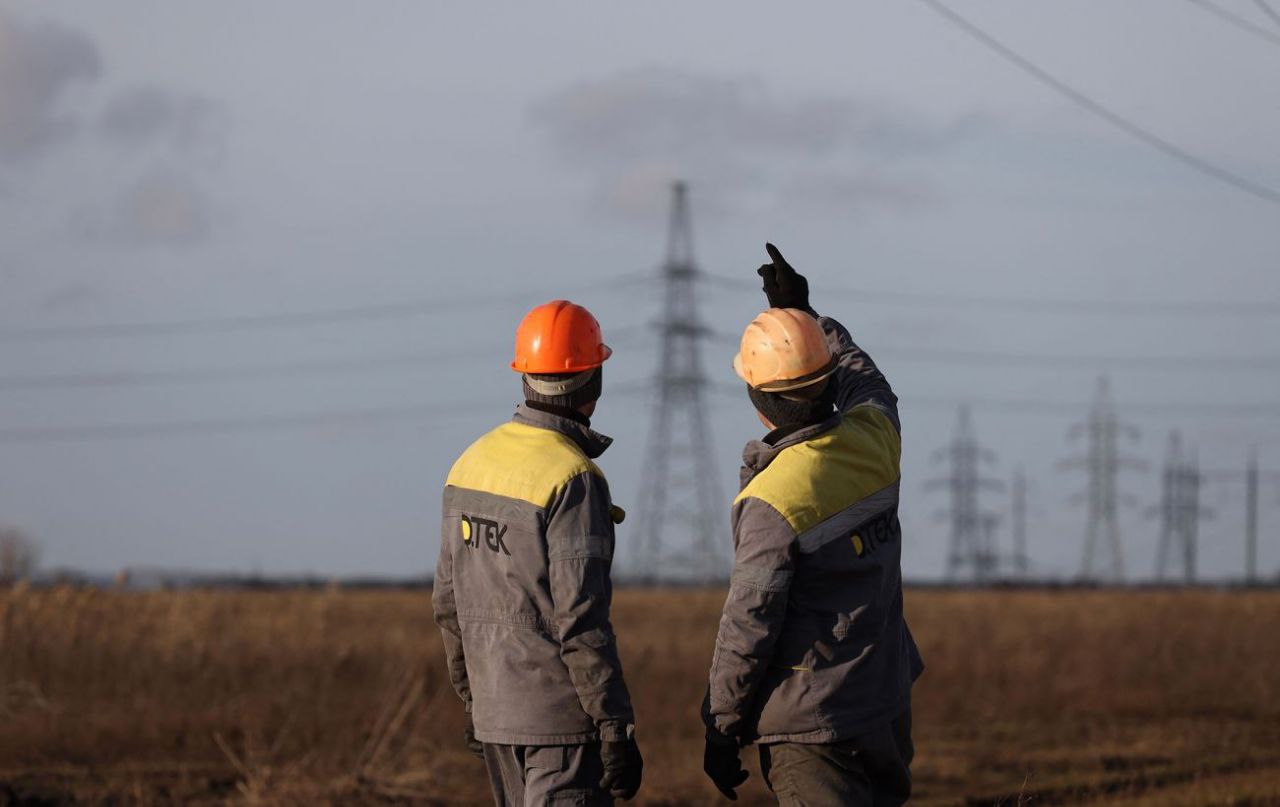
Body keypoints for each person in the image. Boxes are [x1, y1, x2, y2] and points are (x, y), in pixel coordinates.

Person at [702, 245, 924, 805]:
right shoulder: (874, 439)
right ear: (825, 380)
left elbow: (748, 625)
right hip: (884, 708)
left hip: (810, 728)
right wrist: (807, 315)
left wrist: (721, 724)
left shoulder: (771, 499)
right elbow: (867, 381)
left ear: (757, 398)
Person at [433, 300, 643, 806]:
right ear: (592, 379)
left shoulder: (471, 463)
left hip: (497, 718)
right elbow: (582, 620)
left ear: (524, 376)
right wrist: (614, 724)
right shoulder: (573, 478)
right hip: (562, 726)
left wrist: (473, 700)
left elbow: (447, 603)